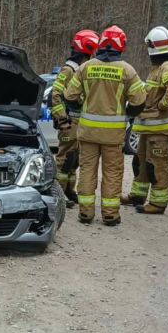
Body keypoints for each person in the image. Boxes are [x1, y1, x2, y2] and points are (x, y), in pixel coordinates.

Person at [63, 25, 146, 226]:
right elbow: (139, 101)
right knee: (112, 173)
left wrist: (83, 106)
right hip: (113, 136)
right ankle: (110, 214)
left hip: (88, 133)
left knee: (87, 171)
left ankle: (85, 213)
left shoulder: (86, 67)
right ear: (121, 45)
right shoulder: (127, 70)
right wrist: (126, 114)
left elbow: (69, 96)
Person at [121, 25, 168, 215]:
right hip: (148, 130)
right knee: (140, 163)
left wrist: (162, 106)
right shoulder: (158, 68)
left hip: (159, 131)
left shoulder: (167, 67)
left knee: (156, 165)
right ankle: (137, 195)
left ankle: (158, 204)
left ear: (153, 47)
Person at [50, 29, 99, 206]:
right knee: (64, 160)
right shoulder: (69, 69)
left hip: (79, 123)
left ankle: (69, 190)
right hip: (69, 122)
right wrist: (62, 119)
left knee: (74, 159)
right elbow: (55, 94)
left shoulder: (81, 68)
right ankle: (57, 195)